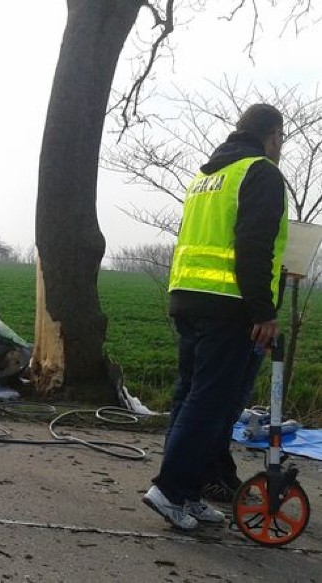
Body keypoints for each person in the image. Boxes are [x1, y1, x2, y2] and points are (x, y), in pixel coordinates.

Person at [142, 103, 288, 530]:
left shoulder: (207, 176)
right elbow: (253, 246)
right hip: (230, 306)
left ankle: (189, 490)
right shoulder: (260, 172)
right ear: (273, 135)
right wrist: (264, 311)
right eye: (280, 141)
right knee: (212, 403)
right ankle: (170, 489)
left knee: (190, 398)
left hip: (188, 299)